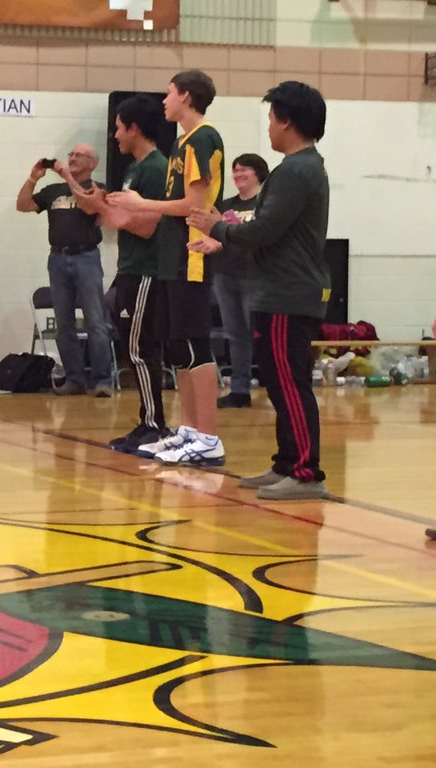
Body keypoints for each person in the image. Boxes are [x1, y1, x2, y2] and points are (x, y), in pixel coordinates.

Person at [188, 81, 330, 500]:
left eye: (270, 118)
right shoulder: (297, 168)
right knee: (277, 380)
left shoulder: (297, 170)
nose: (268, 127)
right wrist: (225, 235)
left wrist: (218, 227)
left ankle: (305, 473)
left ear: (286, 121)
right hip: (277, 290)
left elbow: (266, 230)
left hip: (289, 292)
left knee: (290, 382)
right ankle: (286, 463)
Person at [108, 69, 226, 466]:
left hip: (191, 254)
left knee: (194, 345)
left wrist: (142, 204)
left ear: (186, 96)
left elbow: (195, 205)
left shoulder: (203, 137)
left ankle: (208, 437)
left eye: (170, 92)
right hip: (171, 256)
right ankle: (189, 430)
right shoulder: (182, 142)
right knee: (178, 348)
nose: (164, 100)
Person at [100, 95, 172, 453]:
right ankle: (147, 421)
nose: (115, 135)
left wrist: (116, 216)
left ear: (134, 128)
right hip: (130, 268)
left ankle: (154, 425)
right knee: (134, 348)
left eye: (118, 128)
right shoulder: (133, 169)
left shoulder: (156, 169)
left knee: (141, 349)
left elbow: (149, 226)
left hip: (146, 270)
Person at [15, 144, 114, 397]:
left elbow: (90, 207)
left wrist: (68, 177)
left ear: (92, 163)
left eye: (78, 155)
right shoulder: (53, 191)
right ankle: (74, 379)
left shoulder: (98, 188)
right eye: (70, 154)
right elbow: (22, 205)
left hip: (86, 257)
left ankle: (102, 380)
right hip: (58, 258)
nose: (71, 157)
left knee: (95, 321)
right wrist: (33, 178)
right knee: (64, 324)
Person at [214, 153, 269, 409]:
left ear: (258, 173)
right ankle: (239, 390)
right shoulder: (226, 206)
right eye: (235, 171)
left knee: (261, 335)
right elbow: (217, 236)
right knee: (235, 335)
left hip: (255, 276)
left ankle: (275, 385)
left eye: (243, 170)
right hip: (225, 273)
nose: (237, 175)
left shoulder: (265, 205)